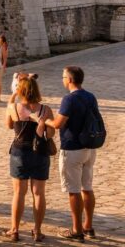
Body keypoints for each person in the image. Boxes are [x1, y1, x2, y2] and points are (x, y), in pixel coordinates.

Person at [44, 66, 100, 241]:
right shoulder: (90, 96)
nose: (62, 80)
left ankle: (76, 230)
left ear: (69, 79)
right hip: (89, 147)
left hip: (72, 148)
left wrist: (45, 120)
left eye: (63, 77)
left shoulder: (69, 99)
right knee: (87, 187)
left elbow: (59, 123)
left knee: (74, 190)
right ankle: (88, 226)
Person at [3, 77, 55, 242]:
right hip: (40, 153)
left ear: (20, 91)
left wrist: (13, 97)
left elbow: (9, 125)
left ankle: (15, 230)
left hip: (20, 152)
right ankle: (37, 231)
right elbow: (51, 134)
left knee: (19, 192)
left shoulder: (15, 108)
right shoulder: (46, 110)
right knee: (39, 193)